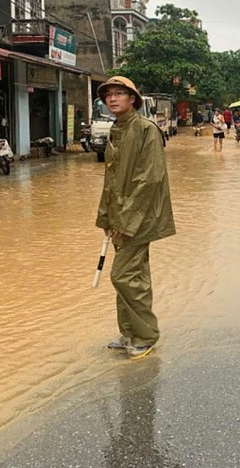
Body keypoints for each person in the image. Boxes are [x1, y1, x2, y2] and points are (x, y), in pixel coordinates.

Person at [95, 76, 175, 360]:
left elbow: (149, 180)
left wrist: (127, 222)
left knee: (123, 275)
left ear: (133, 99)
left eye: (119, 94)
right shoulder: (116, 129)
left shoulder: (146, 130)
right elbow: (111, 180)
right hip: (120, 218)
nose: (113, 99)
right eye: (109, 95)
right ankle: (129, 332)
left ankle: (145, 335)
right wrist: (106, 219)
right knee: (134, 275)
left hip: (139, 218)